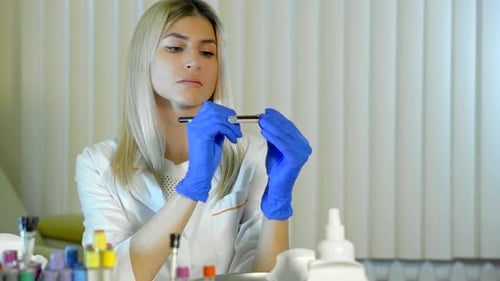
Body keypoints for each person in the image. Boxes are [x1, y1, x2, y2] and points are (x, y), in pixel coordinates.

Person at [75, 0, 312, 280]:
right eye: (175, 48)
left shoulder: (254, 156)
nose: (194, 61)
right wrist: (192, 185)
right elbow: (110, 275)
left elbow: (264, 276)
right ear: (144, 59)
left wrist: (277, 204)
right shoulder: (98, 164)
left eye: (207, 52)